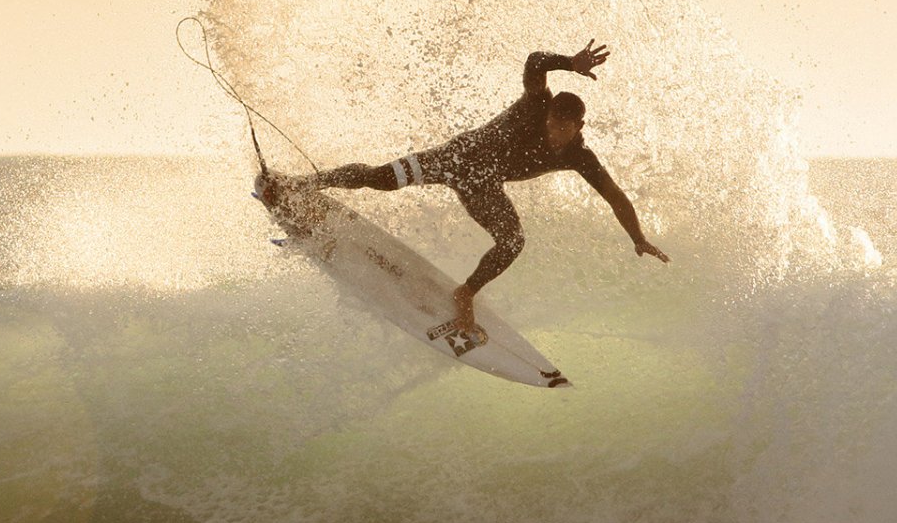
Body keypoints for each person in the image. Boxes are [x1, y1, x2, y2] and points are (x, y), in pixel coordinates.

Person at [263, 39, 667, 336]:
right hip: (458, 157)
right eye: (552, 126)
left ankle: (466, 293)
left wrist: (638, 237)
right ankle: (300, 183)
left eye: (563, 129)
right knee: (382, 179)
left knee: (512, 241)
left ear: (578, 127)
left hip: (484, 186)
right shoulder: (535, 105)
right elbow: (534, 60)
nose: (554, 134)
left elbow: (615, 197)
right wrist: (569, 63)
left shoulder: (580, 157)